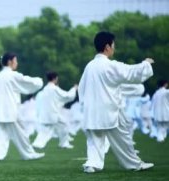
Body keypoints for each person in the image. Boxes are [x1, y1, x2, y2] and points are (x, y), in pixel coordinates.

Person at [78, 31, 154, 173]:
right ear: (107, 47)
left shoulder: (90, 66)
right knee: (123, 139)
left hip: (92, 110)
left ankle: (92, 164)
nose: (114, 48)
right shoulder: (109, 65)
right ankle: (134, 164)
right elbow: (131, 72)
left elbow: (81, 89)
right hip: (109, 109)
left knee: (95, 140)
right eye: (113, 45)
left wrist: (85, 105)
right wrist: (146, 64)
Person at [0, 52, 44, 162]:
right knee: (21, 134)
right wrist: (39, 81)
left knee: (1, 135)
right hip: (10, 110)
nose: (17, 63)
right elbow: (27, 82)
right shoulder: (12, 75)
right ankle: (28, 154)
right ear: (10, 62)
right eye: (16, 60)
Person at [33, 72, 77, 149]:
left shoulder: (44, 90)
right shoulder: (54, 89)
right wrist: (74, 89)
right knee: (62, 126)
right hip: (53, 113)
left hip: (46, 114)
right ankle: (63, 143)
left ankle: (38, 144)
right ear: (55, 78)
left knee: (46, 131)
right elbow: (67, 96)